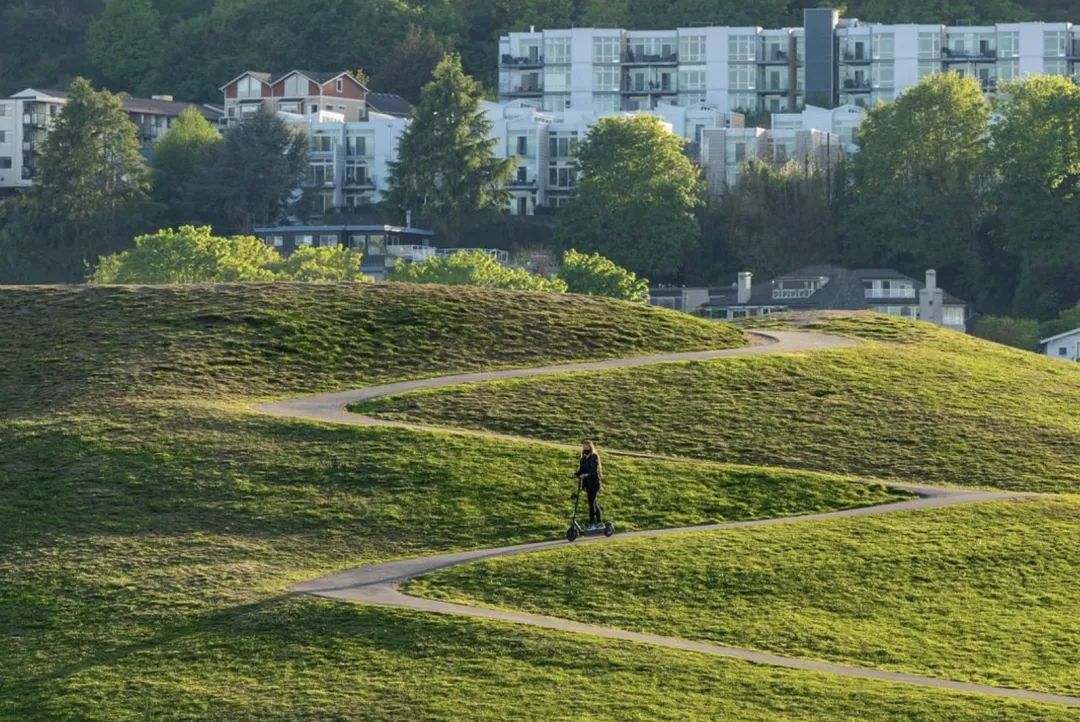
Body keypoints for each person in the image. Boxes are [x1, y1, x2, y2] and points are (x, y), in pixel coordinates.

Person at [575, 440, 604, 529]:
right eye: (584, 447)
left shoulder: (594, 457)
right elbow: (581, 470)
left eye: (586, 447)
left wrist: (586, 474)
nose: (585, 448)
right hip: (587, 484)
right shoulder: (583, 459)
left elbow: (593, 470)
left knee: (591, 502)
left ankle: (592, 522)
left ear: (590, 447)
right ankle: (599, 521)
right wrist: (576, 474)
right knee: (593, 502)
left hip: (594, 483)